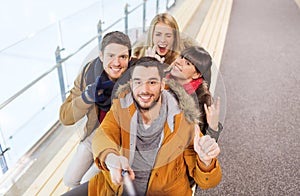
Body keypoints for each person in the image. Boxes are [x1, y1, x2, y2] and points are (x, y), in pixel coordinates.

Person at [62, 57, 222, 195]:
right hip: (115, 188)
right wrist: (111, 157)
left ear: (162, 84)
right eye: (138, 82)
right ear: (131, 84)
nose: (144, 90)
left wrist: (205, 162)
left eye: (152, 82)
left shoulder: (184, 120)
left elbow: (208, 182)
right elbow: (103, 135)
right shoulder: (121, 107)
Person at [59, 31, 132, 188]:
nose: (116, 62)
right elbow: (65, 117)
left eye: (123, 57)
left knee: (87, 183)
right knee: (70, 180)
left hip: (118, 141)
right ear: (101, 56)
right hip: (95, 133)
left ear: (130, 58)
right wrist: (86, 97)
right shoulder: (88, 74)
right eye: (110, 55)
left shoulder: (137, 76)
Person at [168, 46, 223, 141]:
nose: (178, 62)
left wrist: (213, 129)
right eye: (181, 57)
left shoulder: (201, 100)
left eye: (187, 63)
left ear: (196, 74)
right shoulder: (163, 79)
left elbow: (201, 144)